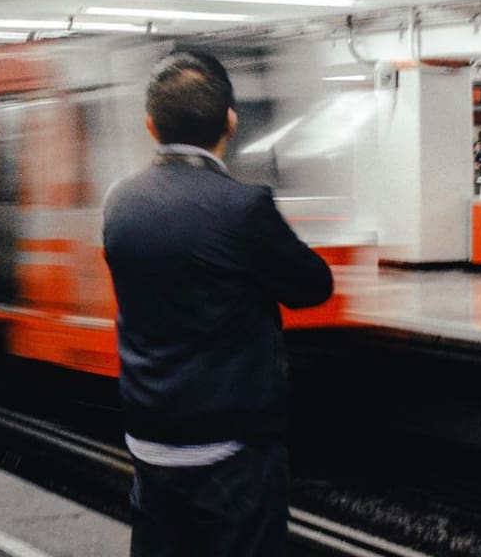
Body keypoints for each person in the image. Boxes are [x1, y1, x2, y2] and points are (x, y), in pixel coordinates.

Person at [102, 51, 334, 557]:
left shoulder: (119, 200)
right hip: (229, 448)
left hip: (150, 438)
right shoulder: (243, 207)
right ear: (231, 120)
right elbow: (313, 286)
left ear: (150, 125)